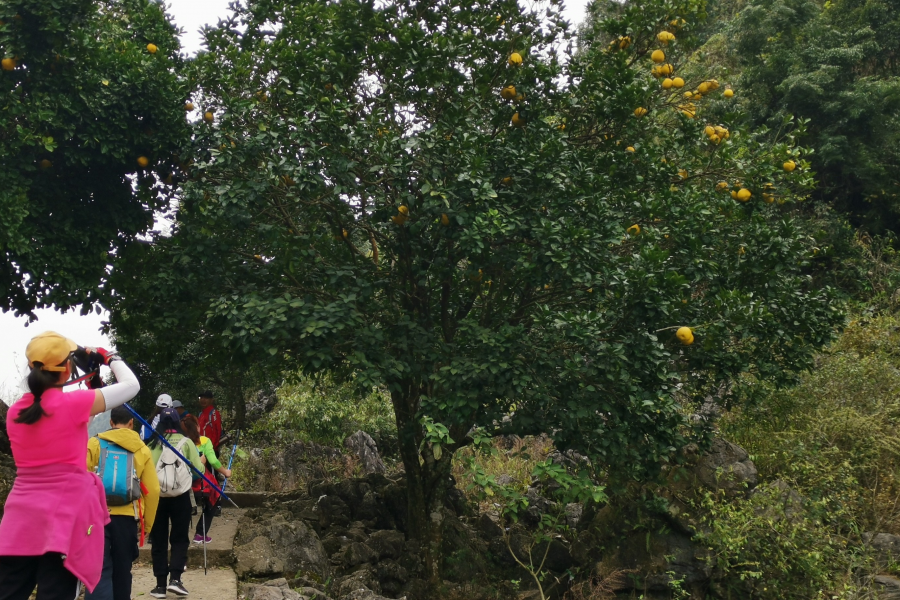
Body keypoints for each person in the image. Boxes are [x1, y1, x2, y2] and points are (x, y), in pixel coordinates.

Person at [0, 331, 140, 599]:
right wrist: (107, 356)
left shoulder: (15, 412)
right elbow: (131, 385)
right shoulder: (75, 404)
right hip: (63, 521)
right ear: (67, 369)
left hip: (19, 521)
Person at [85, 405, 160, 600]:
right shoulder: (142, 449)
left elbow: (79, 480)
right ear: (131, 423)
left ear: (111, 423)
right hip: (127, 519)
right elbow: (153, 491)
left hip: (97, 517)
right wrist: (147, 525)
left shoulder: (94, 443)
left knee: (98, 571)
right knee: (123, 571)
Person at [146, 408, 203, 598]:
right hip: (181, 497)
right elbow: (198, 471)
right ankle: (176, 580)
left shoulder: (152, 444)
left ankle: (160, 585)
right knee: (179, 538)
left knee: (159, 541)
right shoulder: (186, 443)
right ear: (178, 422)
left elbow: (145, 471)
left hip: (157, 499)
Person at [181, 416, 231, 544]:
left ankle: (182, 537)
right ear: (198, 427)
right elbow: (213, 461)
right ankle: (200, 533)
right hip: (201, 482)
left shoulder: (181, 442)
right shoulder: (204, 441)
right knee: (214, 499)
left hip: (184, 482)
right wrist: (225, 472)